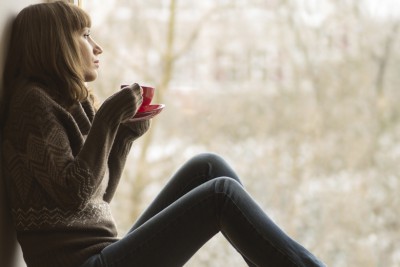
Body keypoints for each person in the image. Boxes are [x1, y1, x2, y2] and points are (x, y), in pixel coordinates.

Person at [0, 1, 326, 267]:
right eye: (85, 35)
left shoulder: (72, 101)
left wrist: (123, 136)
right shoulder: (32, 103)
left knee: (208, 167)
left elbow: (96, 198)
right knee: (220, 195)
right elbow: (74, 193)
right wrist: (109, 119)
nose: (98, 47)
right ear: (56, 44)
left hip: (102, 253)